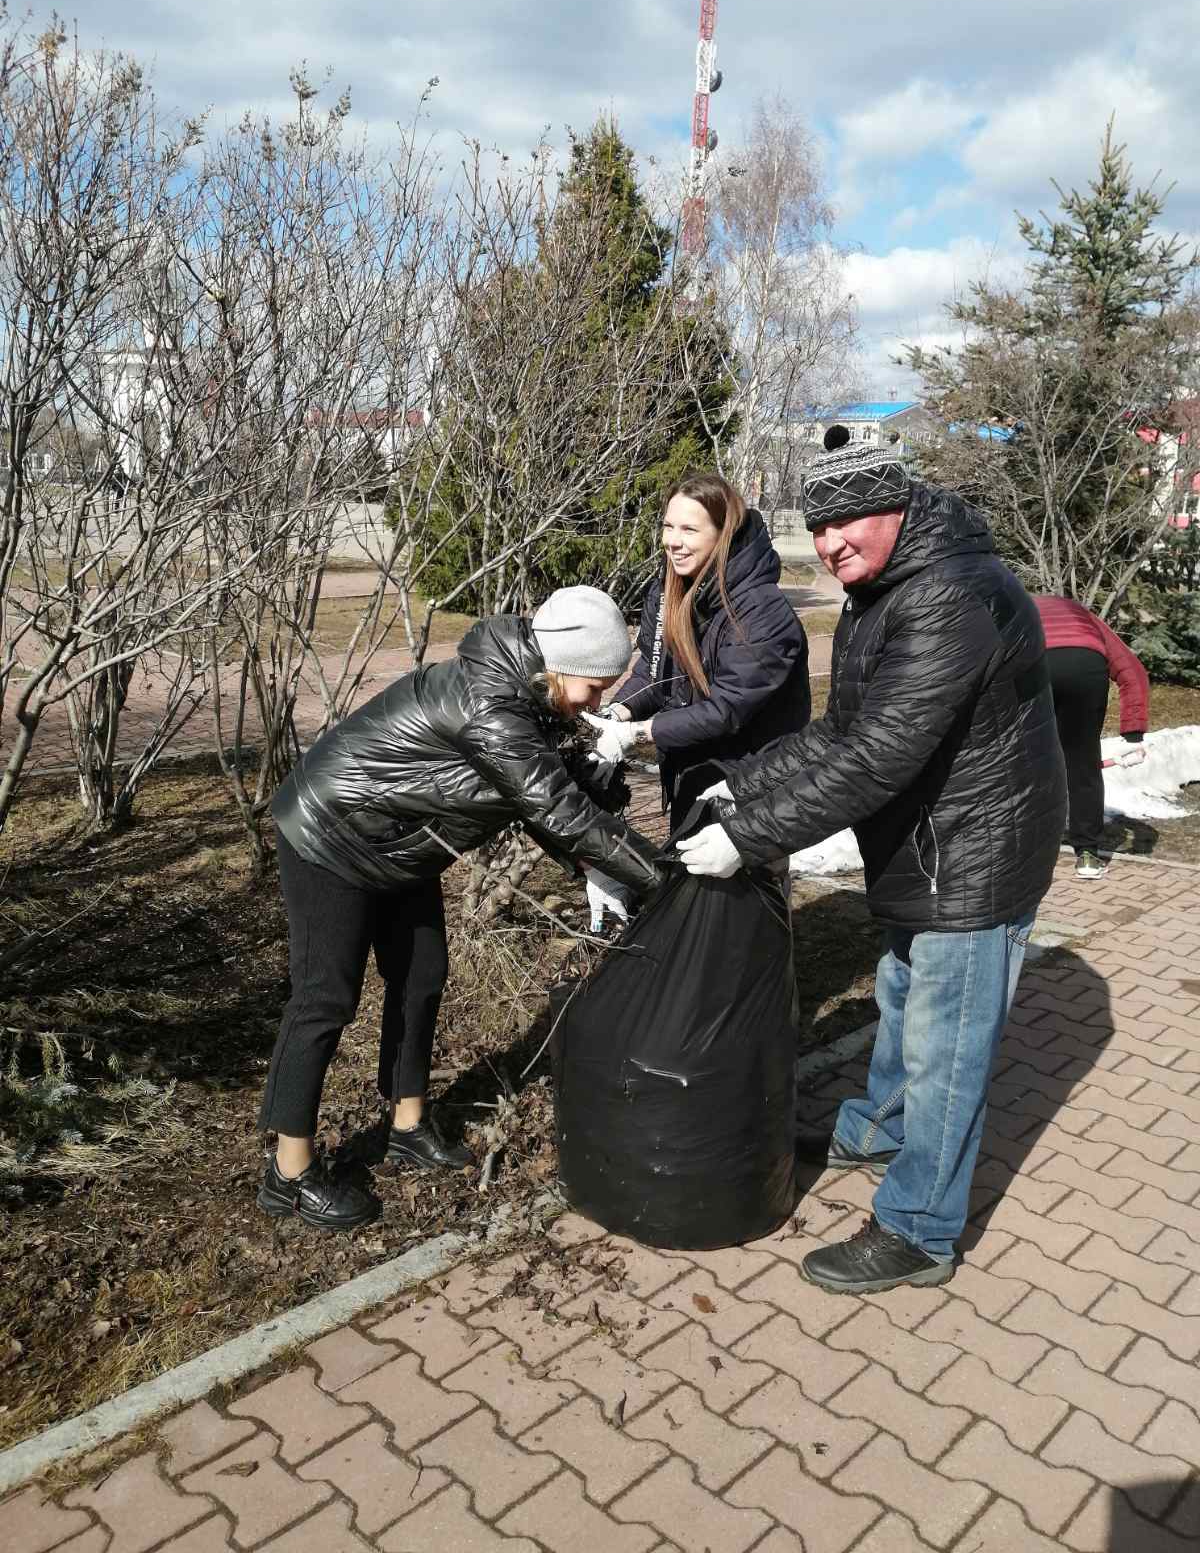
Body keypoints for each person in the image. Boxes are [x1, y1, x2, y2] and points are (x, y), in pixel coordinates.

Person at [675, 442, 1067, 1295]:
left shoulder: (949, 596)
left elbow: (878, 757)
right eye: (818, 527)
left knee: (946, 1049)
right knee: (901, 999)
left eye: (849, 520)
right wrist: (744, 784)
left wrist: (751, 837)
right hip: (929, 844)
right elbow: (840, 732)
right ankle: (879, 1131)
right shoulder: (881, 589)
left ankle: (920, 1230)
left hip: (978, 855)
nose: (830, 543)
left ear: (897, 508)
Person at [258, 586, 664, 1231]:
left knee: (421, 977)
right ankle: (288, 1172)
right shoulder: (490, 706)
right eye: (594, 687)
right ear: (563, 666)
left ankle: (407, 1125)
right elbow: (553, 809)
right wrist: (664, 879)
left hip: (396, 842)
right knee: (324, 999)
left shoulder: (530, 695)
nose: (597, 702)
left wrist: (595, 863)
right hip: (329, 833)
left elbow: (550, 800)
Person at [584, 473, 810, 835]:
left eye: (689, 529)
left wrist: (634, 734)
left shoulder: (760, 610)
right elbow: (654, 672)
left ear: (723, 534)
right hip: (692, 772)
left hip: (749, 788)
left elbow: (726, 709)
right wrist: (615, 715)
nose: (673, 541)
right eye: (668, 526)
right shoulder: (670, 590)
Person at [1032, 594, 1150, 880]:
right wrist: (1133, 732)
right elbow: (1133, 671)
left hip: (1037, 663)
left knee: (1028, 760)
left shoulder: (1014, 608)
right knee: (1083, 764)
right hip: (1086, 666)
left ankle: (1027, 849)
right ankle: (1087, 856)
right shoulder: (1085, 617)